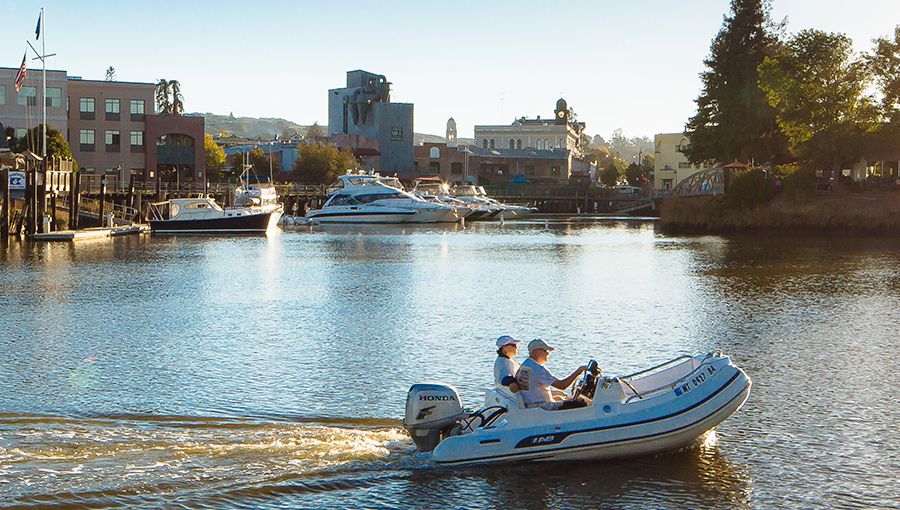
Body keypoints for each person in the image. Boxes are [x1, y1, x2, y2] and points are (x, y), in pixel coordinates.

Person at [515, 339, 587, 410]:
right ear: (536, 352)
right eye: (545, 351)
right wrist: (578, 371)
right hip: (542, 408)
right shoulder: (537, 369)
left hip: (531, 404)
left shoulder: (524, 365)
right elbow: (562, 385)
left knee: (561, 397)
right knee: (580, 403)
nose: (547, 353)